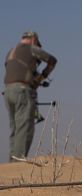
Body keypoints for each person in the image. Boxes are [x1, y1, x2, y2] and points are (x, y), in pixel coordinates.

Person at [3, 31, 57, 162]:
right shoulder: (32, 49)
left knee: (15, 128)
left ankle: (12, 161)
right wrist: (42, 77)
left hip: (8, 91)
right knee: (24, 127)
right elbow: (52, 60)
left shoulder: (11, 51)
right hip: (22, 91)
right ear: (33, 40)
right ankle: (18, 162)